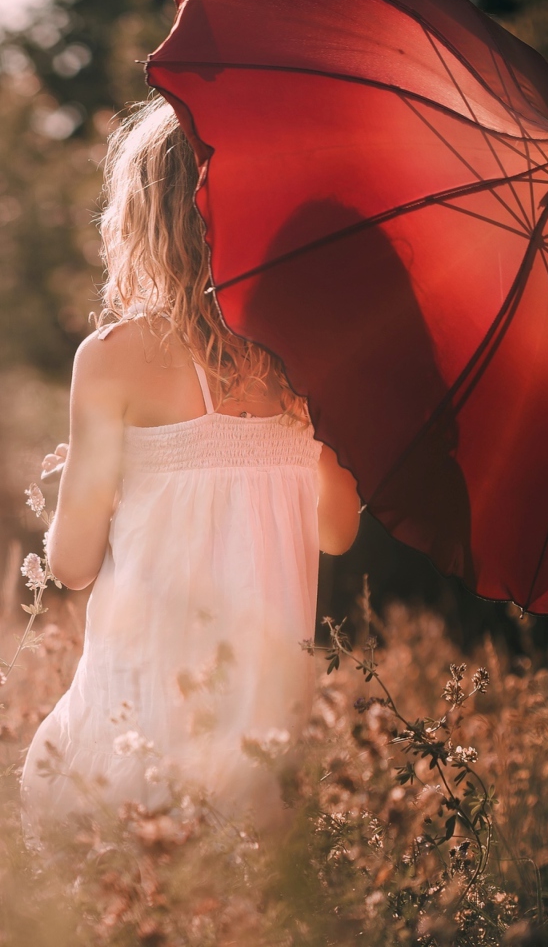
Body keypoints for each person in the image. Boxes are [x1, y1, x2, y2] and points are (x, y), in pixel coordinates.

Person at [20, 97, 360, 842]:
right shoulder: (310, 363)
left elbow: (71, 565)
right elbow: (336, 533)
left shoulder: (113, 361)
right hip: (258, 740)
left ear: (145, 219)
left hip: (135, 719)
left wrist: (84, 471)